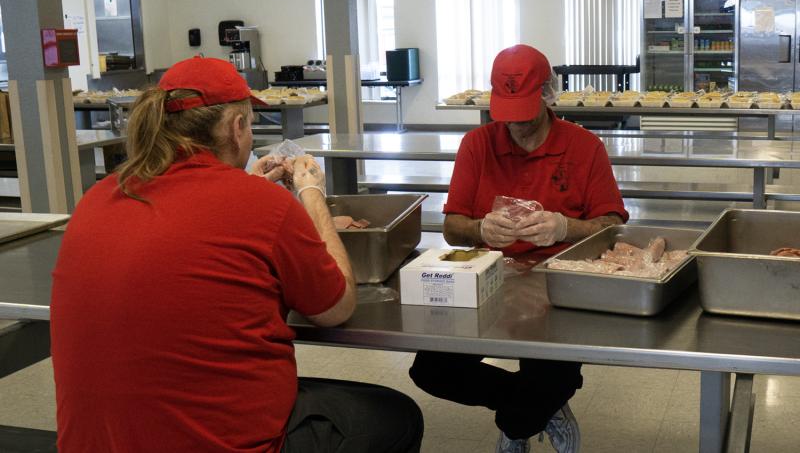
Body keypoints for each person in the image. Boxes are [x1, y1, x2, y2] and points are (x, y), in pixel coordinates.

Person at [51, 57, 423, 453]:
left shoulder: (99, 196)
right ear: (236, 126)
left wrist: (246, 186)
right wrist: (311, 195)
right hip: (217, 443)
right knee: (395, 416)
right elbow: (337, 307)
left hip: (92, 443)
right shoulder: (260, 204)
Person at [409, 45, 628, 453]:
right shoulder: (477, 145)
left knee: (543, 384)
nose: (515, 126)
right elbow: (453, 227)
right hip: (488, 281)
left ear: (547, 96)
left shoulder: (584, 148)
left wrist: (566, 227)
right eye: (505, 113)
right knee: (431, 370)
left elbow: (612, 226)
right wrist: (480, 228)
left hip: (561, 288)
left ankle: (522, 421)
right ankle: (537, 410)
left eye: (524, 112)